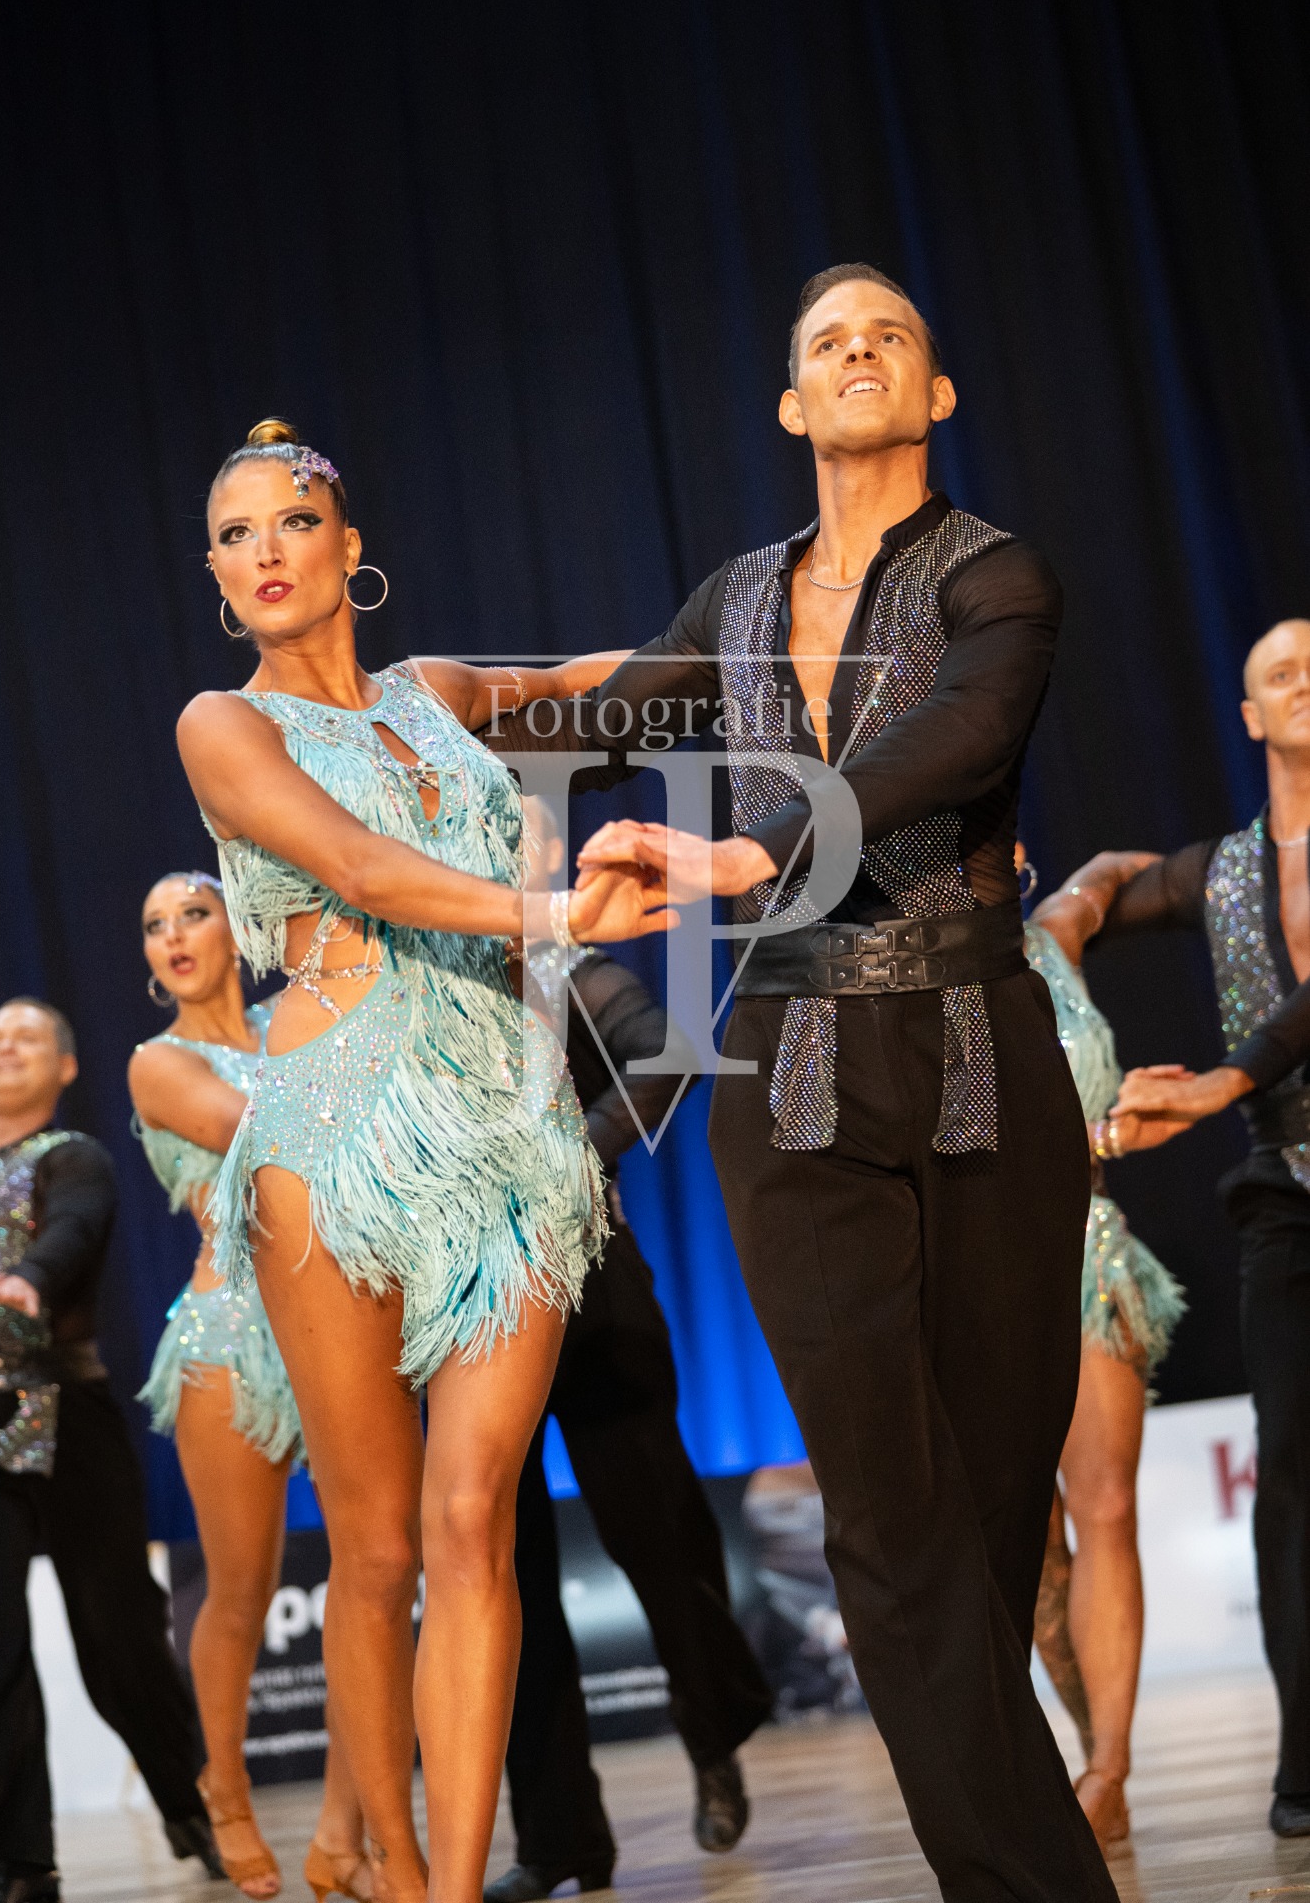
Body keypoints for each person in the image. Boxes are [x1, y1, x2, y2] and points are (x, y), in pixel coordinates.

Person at [516, 263, 1117, 1898]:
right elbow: (591, 723)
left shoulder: (997, 575)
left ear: (932, 393)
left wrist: (748, 846)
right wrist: (395, 700)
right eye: (827, 343)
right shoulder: (731, 603)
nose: (858, 354)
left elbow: (957, 737)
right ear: (792, 404)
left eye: (888, 337)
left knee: (985, 1514)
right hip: (786, 1072)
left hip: (976, 1047)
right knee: (882, 1520)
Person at [174, 419, 665, 1903]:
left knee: (473, 1525)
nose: (264, 551)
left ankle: (451, 1885)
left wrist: (765, 643)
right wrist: (557, 913)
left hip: (509, 1136)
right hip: (334, 1142)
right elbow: (361, 869)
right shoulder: (224, 724)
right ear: (218, 577)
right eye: (234, 534)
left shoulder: (437, 691)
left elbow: (589, 685)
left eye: (290, 520)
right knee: (378, 1549)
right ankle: (371, 1850)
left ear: (348, 544)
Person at [486, 929, 772, 1903]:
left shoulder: (556, 969)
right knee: (504, 1571)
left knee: (658, 1533)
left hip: (591, 1283)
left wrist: (570, 1155)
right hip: (468, 1302)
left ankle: (713, 1733)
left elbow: (668, 1050)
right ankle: (559, 1837)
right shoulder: (403, 990)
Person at [1102, 616, 1310, 1839]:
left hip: (1253, 1118)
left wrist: (1222, 1082)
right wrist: (1068, 895)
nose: (1304, 683)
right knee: (1288, 1476)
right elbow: (1089, 906)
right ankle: (1304, 1760)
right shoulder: (1218, 869)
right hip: (1287, 1191)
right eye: (1281, 672)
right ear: (1249, 715)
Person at [130, 869, 371, 1902]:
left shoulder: (290, 1020)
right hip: (231, 1338)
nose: (174, 934)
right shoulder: (159, 1062)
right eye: (155, 925)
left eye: (193, 912)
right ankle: (223, 1789)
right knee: (239, 1590)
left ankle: (343, 1829)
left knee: (375, 1572)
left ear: (237, 927)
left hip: (341, 1319)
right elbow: (269, 1127)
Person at [0, 998, 219, 1903]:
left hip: (66, 1410)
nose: (6, 1048)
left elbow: (72, 1230)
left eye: (28, 1038)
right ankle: (20, 1863)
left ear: (66, 1067)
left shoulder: (72, 1156)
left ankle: (196, 1804)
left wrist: (25, 1280)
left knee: (117, 1635)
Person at [1019, 849, 1187, 1850]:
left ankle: (1109, 1768)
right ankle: (1089, 1751)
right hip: (975, 1265)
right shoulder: (917, 972)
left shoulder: (1055, 932)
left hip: (1084, 1249)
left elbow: (1114, 870)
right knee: (1032, 1545)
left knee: (1105, 1503)